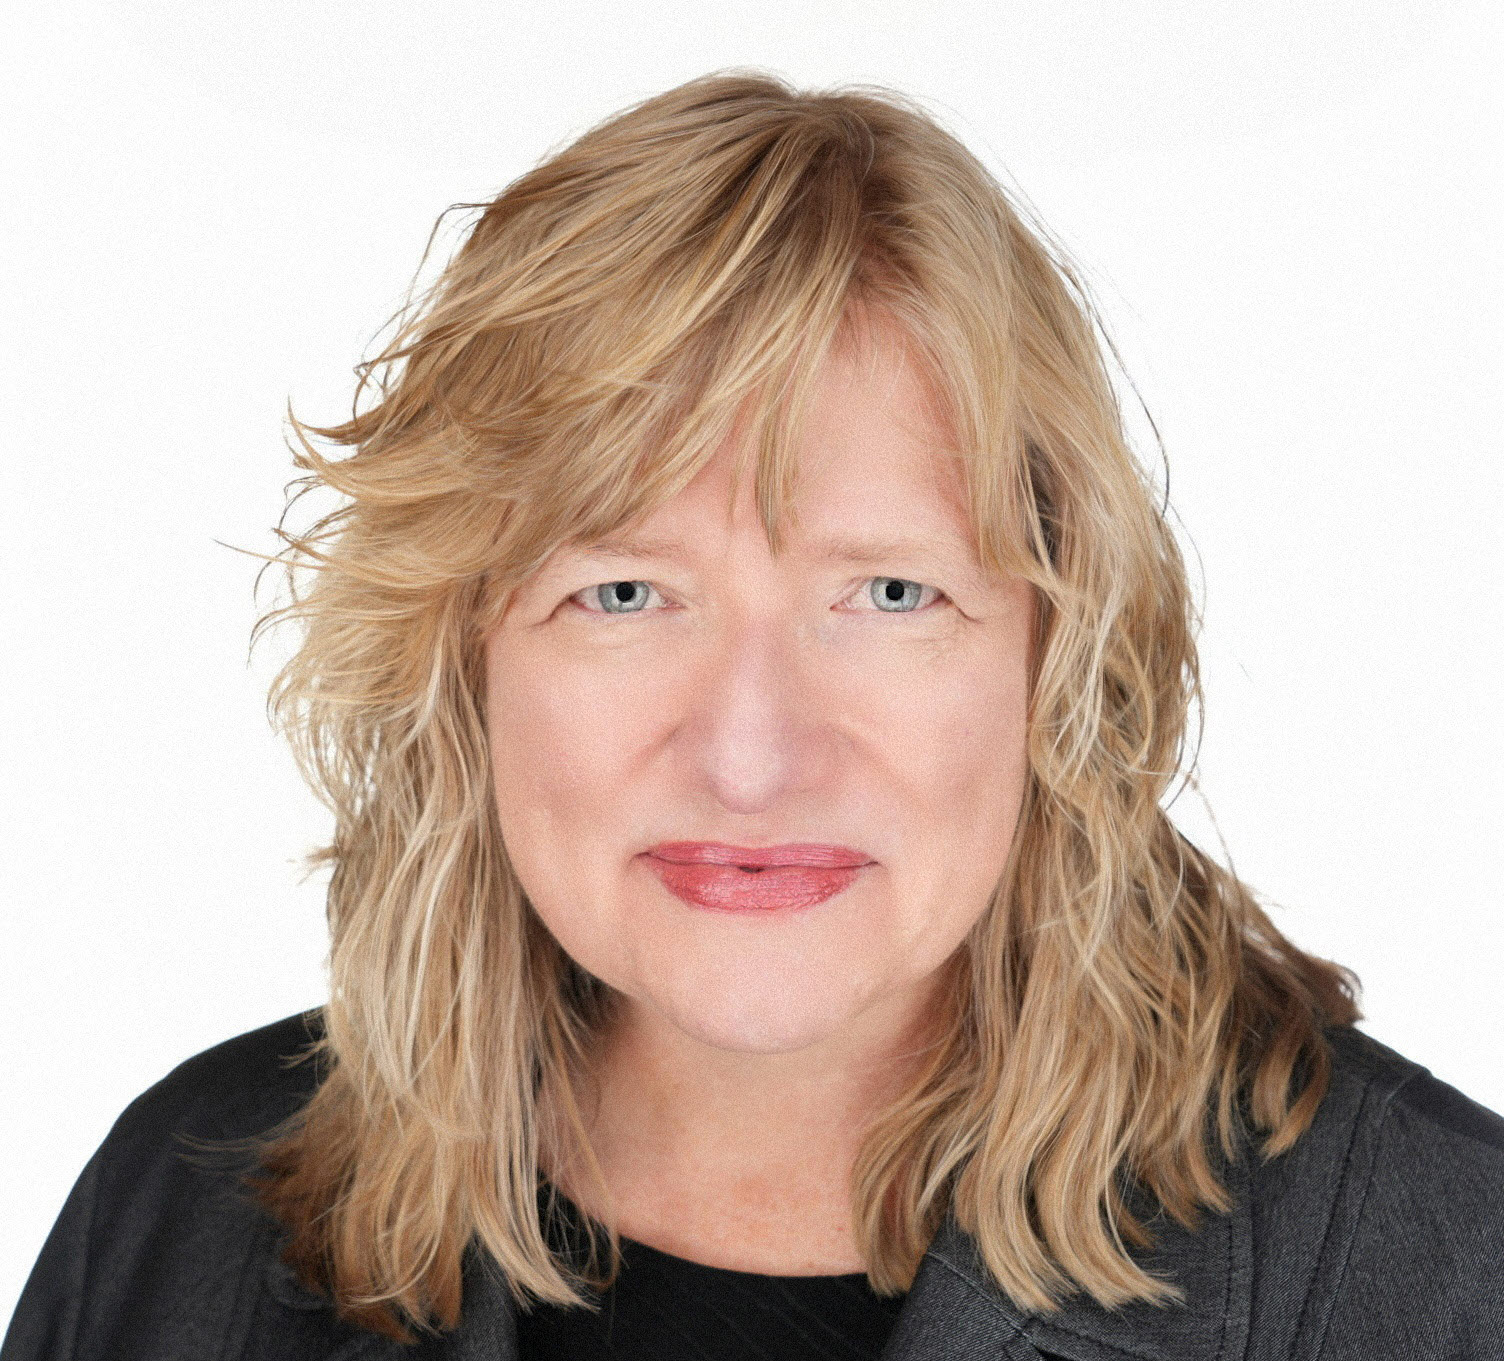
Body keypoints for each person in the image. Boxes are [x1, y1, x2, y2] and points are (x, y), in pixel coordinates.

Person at [5, 68, 1502, 1361]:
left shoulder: (1444, 1277)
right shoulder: (182, 1216)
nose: (749, 757)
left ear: (1062, 653)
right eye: (625, 593)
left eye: (892, 594)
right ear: (462, 656)